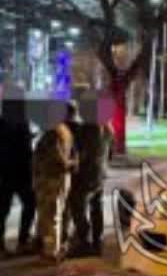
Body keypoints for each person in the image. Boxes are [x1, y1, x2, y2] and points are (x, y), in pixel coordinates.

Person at [0, 83, 35, 257]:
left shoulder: (20, 121)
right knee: (3, 207)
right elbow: (12, 147)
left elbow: (23, 145)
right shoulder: (1, 122)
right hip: (8, 171)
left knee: (29, 203)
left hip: (18, 171)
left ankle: (22, 240)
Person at [32, 106, 77, 262]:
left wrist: (67, 164)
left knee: (51, 216)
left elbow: (57, 159)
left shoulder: (53, 132)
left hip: (51, 179)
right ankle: (48, 245)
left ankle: (51, 250)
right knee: (54, 214)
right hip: (59, 178)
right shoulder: (64, 130)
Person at [67, 120, 115, 257]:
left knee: (77, 206)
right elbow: (111, 152)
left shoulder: (87, 128)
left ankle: (84, 241)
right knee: (96, 206)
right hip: (100, 173)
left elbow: (80, 152)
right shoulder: (108, 127)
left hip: (86, 174)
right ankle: (97, 241)